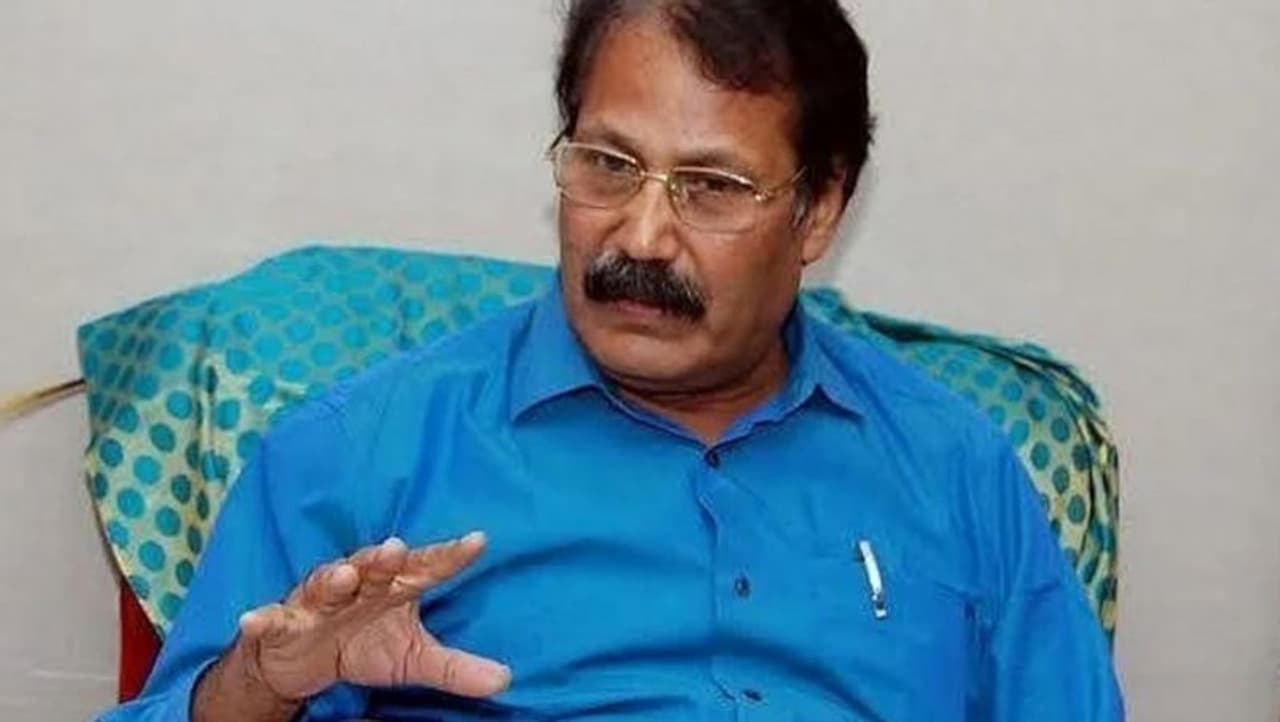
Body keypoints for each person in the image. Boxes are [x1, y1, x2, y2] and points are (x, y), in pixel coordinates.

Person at [98, 1, 1123, 720]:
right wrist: (263, 688)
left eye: (711, 187)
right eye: (607, 165)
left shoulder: (957, 468)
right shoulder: (362, 453)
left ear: (817, 210)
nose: (639, 236)